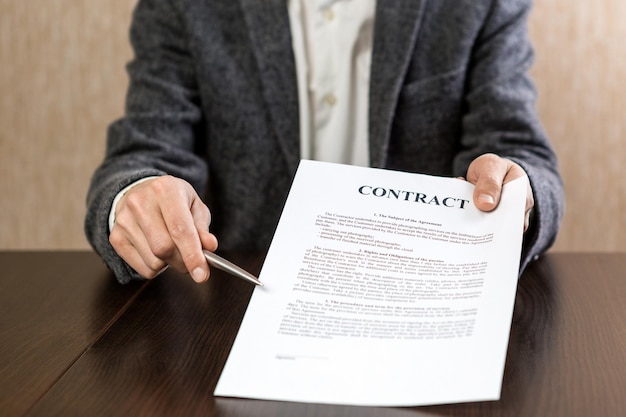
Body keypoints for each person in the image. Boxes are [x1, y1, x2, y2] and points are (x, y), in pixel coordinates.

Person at [85, 0, 564, 285]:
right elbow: (143, 151)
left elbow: (521, 152)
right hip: (238, 304)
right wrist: (136, 195)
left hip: (424, 303)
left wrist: (515, 191)